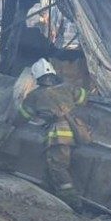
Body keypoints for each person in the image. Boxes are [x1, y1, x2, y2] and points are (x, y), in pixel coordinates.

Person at [17, 59, 89, 209]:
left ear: (37, 78)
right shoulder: (67, 87)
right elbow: (83, 97)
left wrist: (10, 122)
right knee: (59, 166)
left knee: (57, 168)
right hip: (77, 131)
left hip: (59, 136)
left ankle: (73, 203)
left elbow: (22, 117)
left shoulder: (34, 96)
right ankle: (55, 193)